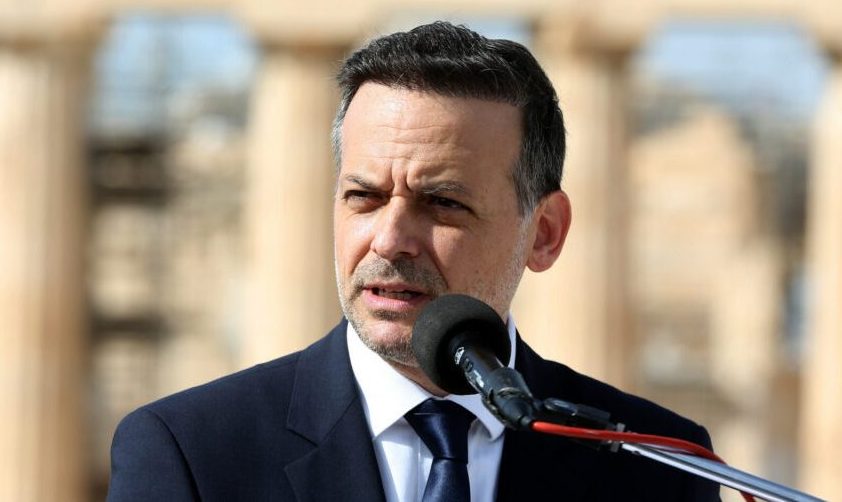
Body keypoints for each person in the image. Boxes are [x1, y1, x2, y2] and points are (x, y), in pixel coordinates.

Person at [107, 21, 719, 501]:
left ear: (545, 233)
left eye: (443, 203)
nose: (390, 239)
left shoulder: (658, 467)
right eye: (364, 197)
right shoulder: (190, 454)